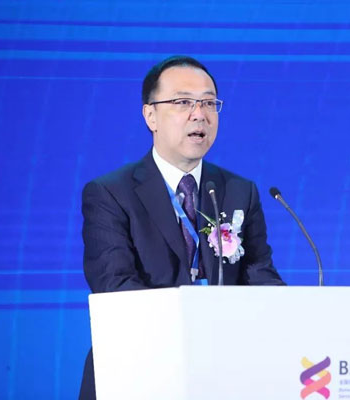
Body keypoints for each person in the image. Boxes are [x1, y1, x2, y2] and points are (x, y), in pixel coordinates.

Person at [78, 55, 285, 399]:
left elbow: (258, 273)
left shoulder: (239, 191)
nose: (199, 114)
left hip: (221, 373)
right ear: (150, 116)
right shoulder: (110, 193)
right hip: (137, 367)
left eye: (209, 103)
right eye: (183, 102)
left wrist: (293, 311)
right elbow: (115, 287)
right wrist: (192, 329)